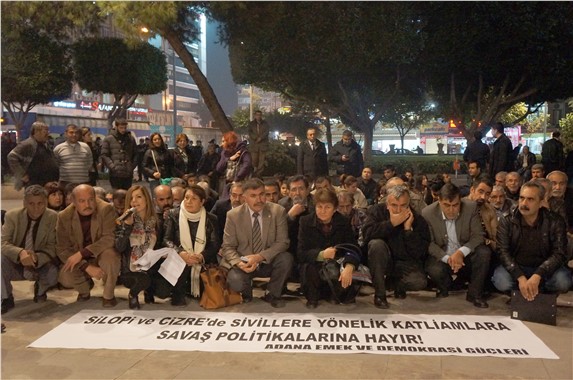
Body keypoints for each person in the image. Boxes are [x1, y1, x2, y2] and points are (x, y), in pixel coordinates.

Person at [220, 179, 292, 308]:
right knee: (236, 280)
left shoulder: (278, 211)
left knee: (286, 259)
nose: (259, 199)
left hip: (268, 260)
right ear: (245, 198)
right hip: (244, 260)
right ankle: (246, 294)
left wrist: (259, 257)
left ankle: (272, 294)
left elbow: (283, 243)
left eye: (262, 194)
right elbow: (228, 247)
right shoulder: (233, 215)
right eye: (253, 196)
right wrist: (239, 263)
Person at [493, 181, 571, 298]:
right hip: (517, 266)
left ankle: (541, 294)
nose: (524, 203)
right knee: (501, 281)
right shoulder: (507, 220)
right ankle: (522, 293)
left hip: (545, 268)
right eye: (521, 198)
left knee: (563, 281)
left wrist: (538, 275)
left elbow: (559, 253)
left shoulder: (555, 221)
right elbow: (502, 251)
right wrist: (520, 277)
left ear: (540, 203)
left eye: (530, 199)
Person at [422, 183, 491, 308]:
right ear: (439, 201)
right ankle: (445, 286)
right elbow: (428, 243)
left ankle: (475, 294)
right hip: (442, 256)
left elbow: (478, 236)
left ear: (460, 201)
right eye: (446, 205)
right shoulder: (428, 213)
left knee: (484, 252)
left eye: (455, 205)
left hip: (465, 256)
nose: (451, 209)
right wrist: (448, 259)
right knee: (433, 269)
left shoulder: (471, 207)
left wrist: (460, 253)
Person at [362, 185, 431, 308]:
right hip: (381, 260)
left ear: (408, 205)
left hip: (404, 263)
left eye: (403, 205)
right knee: (376, 244)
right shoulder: (376, 211)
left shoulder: (418, 219)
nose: (398, 210)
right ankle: (380, 294)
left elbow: (420, 252)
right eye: (394, 205)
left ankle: (394, 283)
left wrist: (408, 230)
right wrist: (391, 223)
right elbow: (367, 236)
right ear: (387, 204)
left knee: (419, 282)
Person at [56, 184, 120, 307]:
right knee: (65, 275)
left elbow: (109, 238)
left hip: (100, 253)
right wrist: (85, 266)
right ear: (73, 201)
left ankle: (108, 295)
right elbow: (62, 249)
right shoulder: (64, 216)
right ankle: (84, 290)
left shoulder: (106, 209)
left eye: (91, 200)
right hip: (80, 258)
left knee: (111, 256)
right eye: (82, 201)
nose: (87, 205)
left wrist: (82, 253)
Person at [297, 188, 360, 308]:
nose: (323, 211)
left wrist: (349, 265)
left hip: (336, 265)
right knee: (308, 267)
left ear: (335, 208)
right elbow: (301, 253)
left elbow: (353, 247)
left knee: (343, 277)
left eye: (327, 207)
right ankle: (313, 298)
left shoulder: (343, 221)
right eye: (319, 207)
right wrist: (321, 254)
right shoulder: (305, 221)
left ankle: (335, 294)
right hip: (313, 266)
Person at [1, 185, 59, 314]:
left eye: (40, 203)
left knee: (53, 274)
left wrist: (36, 258)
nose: (36, 208)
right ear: (24, 203)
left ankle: (40, 289)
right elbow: (3, 243)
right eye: (31, 203)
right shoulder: (12, 216)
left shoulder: (53, 217)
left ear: (46, 202)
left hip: (39, 262)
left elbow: (53, 246)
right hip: (15, 262)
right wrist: (20, 252)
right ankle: (6, 297)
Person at [163, 185, 221, 301]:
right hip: (179, 258)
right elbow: (166, 240)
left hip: (202, 261)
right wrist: (181, 253)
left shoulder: (211, 219)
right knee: (163, 291)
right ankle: (178, 293)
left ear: (202, 201)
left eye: (194, 198)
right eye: (186, 198)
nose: (189, 202)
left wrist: (201, 256)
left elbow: (215, 244)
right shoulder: (173, 215)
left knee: (207, 295)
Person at [114, 185, 158, 309]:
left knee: (161, 287)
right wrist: (127, 226)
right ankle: (133, 295)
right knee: (143, 278)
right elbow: (119, 247)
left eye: (138, 197)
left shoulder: (155, 221)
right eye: (131, 198)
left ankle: (149, 290)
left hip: (150, 266)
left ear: (147, 199)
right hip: (130, 269)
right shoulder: (123, 221)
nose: (134, 201)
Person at [7, 121, 59, 190]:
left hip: (48, 183)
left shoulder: (45, 144)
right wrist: (22, 174)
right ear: (37, 132)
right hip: (34, 184)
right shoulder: (28, 144)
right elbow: (12, 156)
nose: (48, 133)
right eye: (45, 131)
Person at [100, 118, 137, 190]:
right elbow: (104, 155)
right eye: (121, 128)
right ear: (116, 127)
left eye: (125, 128)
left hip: (127, 173)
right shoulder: (109, 139)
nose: (123, 130)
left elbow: (136, 154)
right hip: (115, 174)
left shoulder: (131, 139)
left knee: (127, 196)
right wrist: (113, 167)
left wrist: (131, 166)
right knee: (117, 196)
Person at [53, 124, 93, 188]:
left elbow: (89, 163)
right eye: (71, 132)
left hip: (83, 183)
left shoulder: (86, 147)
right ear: (66, 133)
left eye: (76, 133)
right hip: (65, 184)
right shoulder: (58, 148)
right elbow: (56, 165)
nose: (74, 135)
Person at [216, 131, 252, 196]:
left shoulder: (242, 150)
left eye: (223, 141)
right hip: (227, 183)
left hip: (241, 183)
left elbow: (247, 165)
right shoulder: (224, 152)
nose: (221, 144)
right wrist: (229, 159)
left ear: (229, 141)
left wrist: (237, 178)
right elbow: (219, 168)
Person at [247, 110, 270, 177]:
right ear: (255, 115)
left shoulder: (265, 123)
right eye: (257, 115)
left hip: (263, 145)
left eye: (259, 115)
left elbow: (266, 132)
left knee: (261, 162)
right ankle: (254, 173)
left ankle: (258, 175)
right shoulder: (251, 124)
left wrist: (261, 138)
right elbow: (250, 132)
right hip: (254, 145)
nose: (258, 116)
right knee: (254, 161)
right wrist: (255, 138)